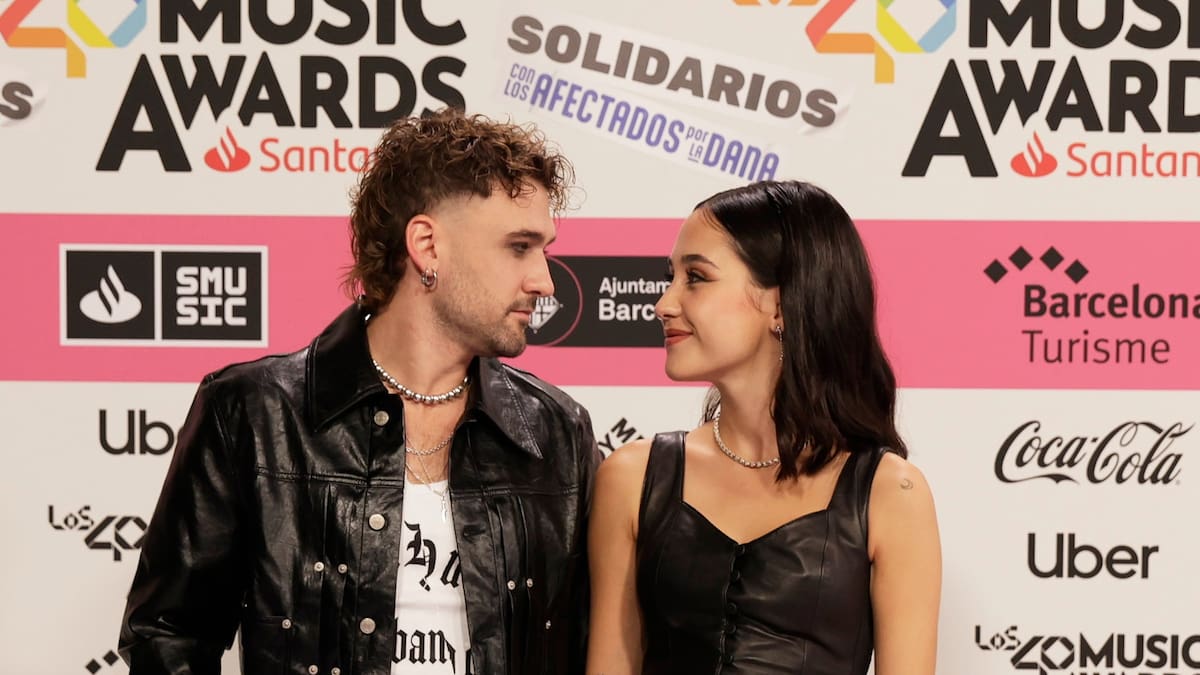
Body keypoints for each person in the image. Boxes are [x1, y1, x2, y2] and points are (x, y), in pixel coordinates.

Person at [119, 108, 601, 675]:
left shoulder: (556, 430)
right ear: (427, 245)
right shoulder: (254, 412)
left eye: (543, 250)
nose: (544, 281)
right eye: (519, 247)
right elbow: (168, 637)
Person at [586, 180, 941, 674]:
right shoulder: (632, 477)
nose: (663, 303)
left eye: (696, 277)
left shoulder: (890, 493)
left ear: (781, 304)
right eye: (672, 277)